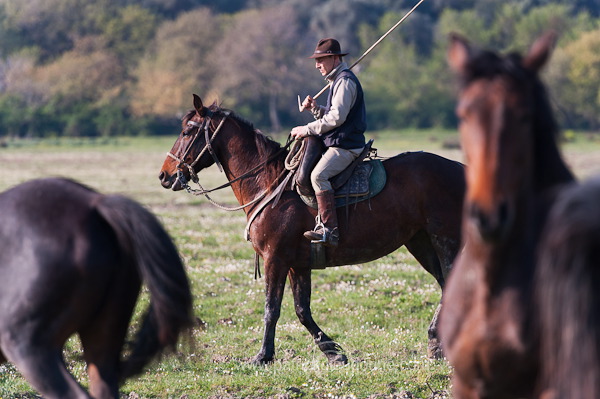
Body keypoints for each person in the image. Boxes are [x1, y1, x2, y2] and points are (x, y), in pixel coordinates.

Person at [291, 38, 367, 247]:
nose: (317, 65)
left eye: (321, 60)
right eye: (316, 60)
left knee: (318, 176)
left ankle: (329, 230)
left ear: (334, 58)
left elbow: (336, 119)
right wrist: (315, 109)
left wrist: (306, 128)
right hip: (338, 142)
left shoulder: (345, 82)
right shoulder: (337, 81)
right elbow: (332, 114)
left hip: (346, 146)